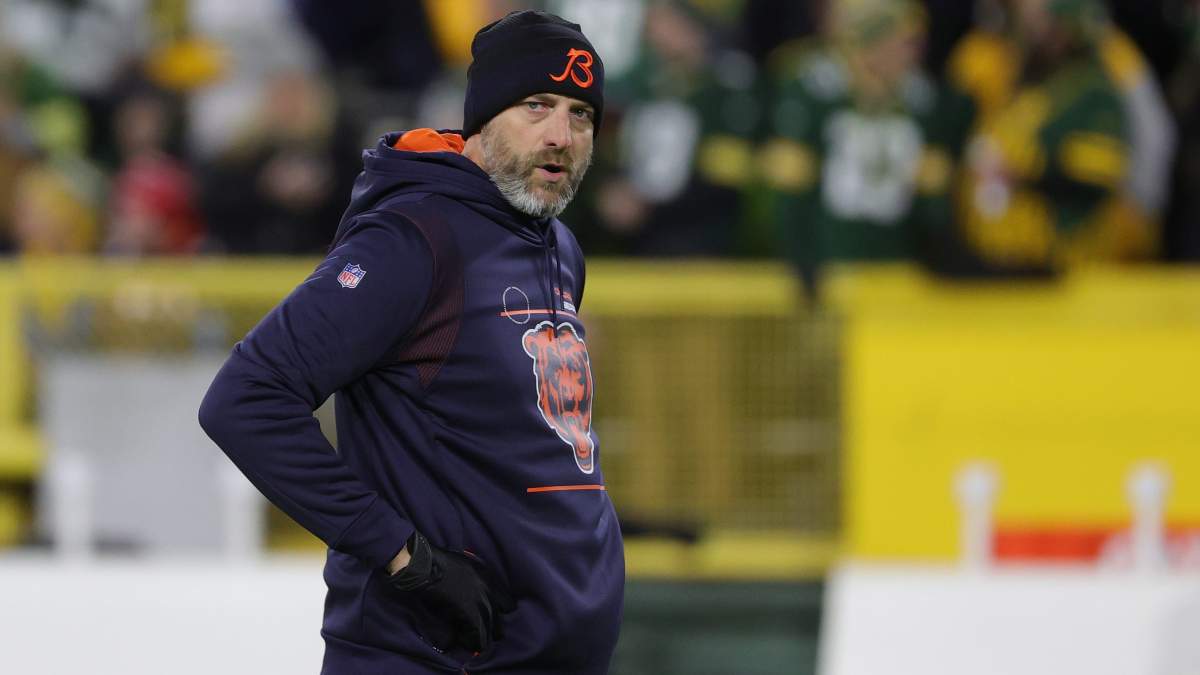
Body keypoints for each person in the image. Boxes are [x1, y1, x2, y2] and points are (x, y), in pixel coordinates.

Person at [198, 10, 623, 674]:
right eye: (536, 106)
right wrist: (402, 554)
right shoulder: (413, 238)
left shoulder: (559, 245)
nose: (560, 136)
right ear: (482, 118)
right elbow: (246, 398)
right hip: (428, 655)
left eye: (581, 115)